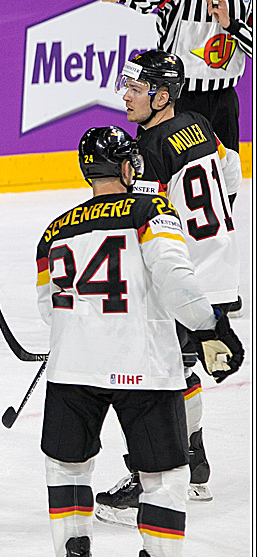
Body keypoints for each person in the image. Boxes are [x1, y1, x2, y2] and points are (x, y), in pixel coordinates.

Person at [35, 125, 243, 557]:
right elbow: (177, 282)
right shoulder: (152, 214)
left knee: (67, 468)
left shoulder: (54, 230)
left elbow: (47, 309)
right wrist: (213, 325)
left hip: (71, 370)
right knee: (166, 477)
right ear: (130, 168)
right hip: (144, 367)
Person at [94, 50, 242, 525]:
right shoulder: (197, 122)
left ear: (161, 96)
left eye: (135, 90)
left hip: (184, 282)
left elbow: (143, 225)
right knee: (179, 371)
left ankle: (154, 473)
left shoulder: (150, 150)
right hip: (217, 269)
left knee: (154, 378)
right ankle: (193, 462)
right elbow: (232, 172)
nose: (125, 96)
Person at [100, 0, 252, 157]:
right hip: (176, 98)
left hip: (223, 100)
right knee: (157, 164)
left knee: (225, 170)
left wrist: (231, 25)